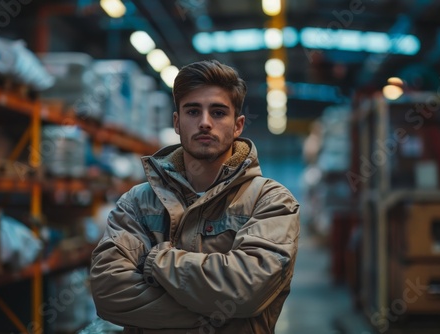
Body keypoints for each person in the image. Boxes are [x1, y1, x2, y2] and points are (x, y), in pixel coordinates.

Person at [90, 59, 300, 333]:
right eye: (192, 111)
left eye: (218, 112)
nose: (204, 123)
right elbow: (109, 292)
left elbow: (247, 289)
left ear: (238, 126)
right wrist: (220, 315)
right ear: (177, 122)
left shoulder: (271, 201)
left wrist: (156, 261)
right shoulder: (138, 203)